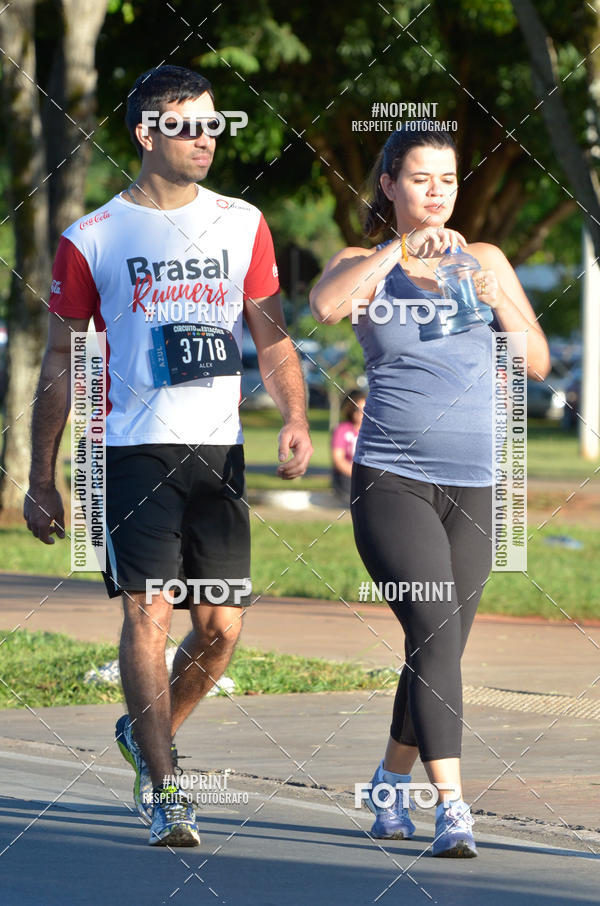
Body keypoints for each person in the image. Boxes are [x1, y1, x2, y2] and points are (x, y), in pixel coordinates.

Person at [23, 65, 312, 847]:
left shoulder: (242, 222)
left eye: (214, 125)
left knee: (220, 628)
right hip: (132, 451)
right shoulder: (94, 237)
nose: (206, 139)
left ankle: (144, 730)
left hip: (218, 451)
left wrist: (294, 415)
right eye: (187, 125)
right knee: (148, 613)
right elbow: (61, 359)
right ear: (146, 134)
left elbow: (272, 334)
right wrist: (39, 475)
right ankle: (165, 786)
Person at [309, 122, 549, 857]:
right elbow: (324, 307)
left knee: (432, 649)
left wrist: (494, 293)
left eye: (447, 179)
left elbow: (536, 360)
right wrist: (397, 250)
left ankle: (387, 783)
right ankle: (452, 806)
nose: (437, 191)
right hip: (392, 480)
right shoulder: (364, 262)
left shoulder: (488, 259)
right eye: (421, 178)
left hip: (477, 483)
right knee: (436, 637)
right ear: (389, 185)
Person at [331, 389, 366, 502]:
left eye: (365, 410)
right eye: (357, 409)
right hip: (348, 478)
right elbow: (338, 460)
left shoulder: (373, 432)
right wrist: (359, 475)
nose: (361, 414)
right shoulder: (342, 430)